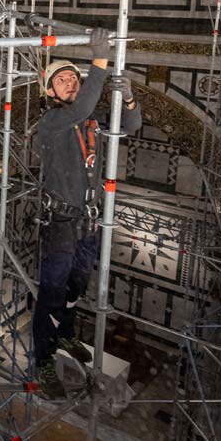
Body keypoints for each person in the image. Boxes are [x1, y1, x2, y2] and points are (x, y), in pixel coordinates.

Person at [32, 27, 141, 399]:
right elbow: (82, 106)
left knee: (76, 287)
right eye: (61, 81)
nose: (69, 83)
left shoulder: (89, 121)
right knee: (51, 291)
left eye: (73, 79)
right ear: (50, 93)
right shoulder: (52, 124)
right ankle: (44, 359)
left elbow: (131, 126)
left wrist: (128, 100)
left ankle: (66, 334)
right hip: (61, 221)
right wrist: (99, 60)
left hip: (88, 220)